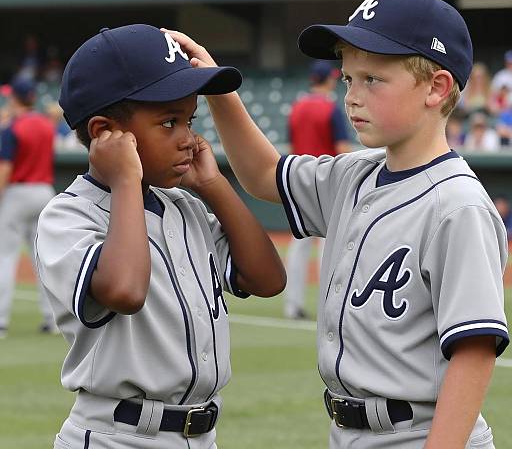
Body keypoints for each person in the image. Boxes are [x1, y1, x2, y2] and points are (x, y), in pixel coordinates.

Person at [168, 0, 509, 449]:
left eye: (373, 79)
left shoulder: (458, 205)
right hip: (350, 432)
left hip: (420, 434)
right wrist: (218, 89)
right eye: (349, 79)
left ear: (436, 87)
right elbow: (266, 174)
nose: (352, 96)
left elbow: (473, 353)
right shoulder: (355, 174)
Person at [35, 24, 286, 448]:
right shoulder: (67, 216)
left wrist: (213, 187)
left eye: (189, 119)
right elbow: (125, 289)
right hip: (116, 435)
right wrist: (127, 180)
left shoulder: (183, 206)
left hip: (200, 435)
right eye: (169, 122)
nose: (188, 138)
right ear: (104, 133)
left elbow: (266, 279)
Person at [284, 59, 352, 320]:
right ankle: (329, 307)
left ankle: (292, 305)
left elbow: (291, 150)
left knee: (298, 246)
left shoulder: (296, 107)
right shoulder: (331, 109)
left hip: (299, 181)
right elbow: (343, 151)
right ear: (329, 80)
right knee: (329, 248)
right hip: (327, 183)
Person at [0, 75, 56, 338]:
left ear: (14, 97)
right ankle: (53, 319)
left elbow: (5, 167)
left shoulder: (12, 127)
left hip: (18, 191)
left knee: (4, 256)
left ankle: (0, 321)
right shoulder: (47, 124)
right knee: (43, 258)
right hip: (45, 191)